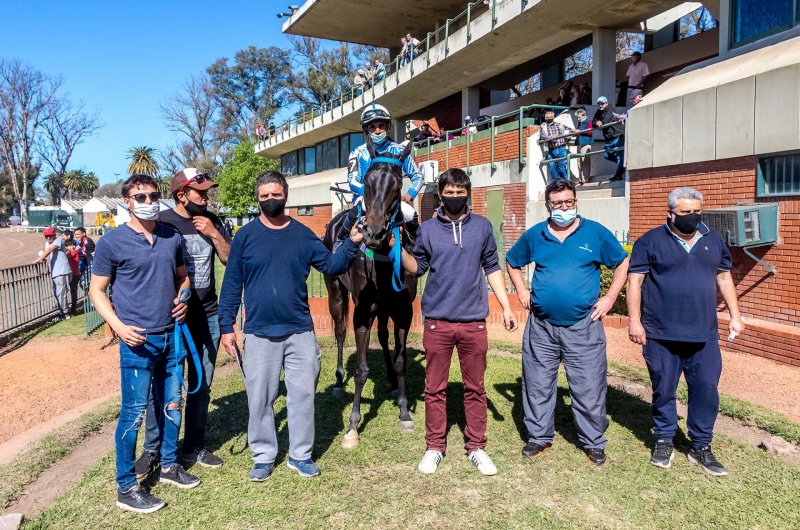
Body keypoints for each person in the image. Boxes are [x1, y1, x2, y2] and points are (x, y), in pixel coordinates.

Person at [218, 171, 363, 482]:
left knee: (302, 395)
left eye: (276, 194)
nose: (271, 200)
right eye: (264, 195)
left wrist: (351, 245)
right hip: (258, 332)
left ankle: (300, 455)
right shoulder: (244, 236)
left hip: (299, 331)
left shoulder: (302, 234)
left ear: (285, 195)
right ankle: (263, 455)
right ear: (258, 198)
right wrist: (226, 326)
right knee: (260, 398)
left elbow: (330, 266)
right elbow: (231, 284)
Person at [394, 168, 518, 476]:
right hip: (438, 322)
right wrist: (394, 248)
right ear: (439, 195)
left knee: (475, 388)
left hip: (473, 322)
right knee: (434, 389)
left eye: (459, 192)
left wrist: (506, 306)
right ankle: (435, 447)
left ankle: (476, 447)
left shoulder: (482, 227)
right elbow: (417, 267)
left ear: (468, 193)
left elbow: (492, 267)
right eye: (448, 193)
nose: (454, 197)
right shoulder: (428, 230)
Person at [89, 174, 196, 514]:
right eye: (140, 196)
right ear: (127, 202)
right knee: (134, 414)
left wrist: (185, 296)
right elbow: (96, 291)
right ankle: (126, 487)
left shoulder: (172, 237)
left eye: (153, 195)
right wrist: (118, 326)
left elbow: (183, 277)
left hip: (172, 337)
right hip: (137, 341)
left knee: (172, 404)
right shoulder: (111, 243)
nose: (148, 201)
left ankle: (167, 465)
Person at [506, 179, 630, 467]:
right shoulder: (536, 235)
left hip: (583, 326)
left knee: (588, 386)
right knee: (537, 383)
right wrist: (522, 290)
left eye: (569, 202)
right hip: (542, 326)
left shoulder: (595, 233)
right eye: (558, 204)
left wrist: (610, 298)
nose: (565, 208)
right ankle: (538, 436)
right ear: (548, 206)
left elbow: (622, 263)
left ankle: (593, 441)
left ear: (576, 201)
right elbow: (512, 261)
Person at [627, 187, 745, 476]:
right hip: (661, 333)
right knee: (664, 390)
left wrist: (735, 315)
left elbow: (724, 277)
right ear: (670, 213)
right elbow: (635, 282)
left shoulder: (713, 240)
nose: (692, 218)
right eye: (685, 213)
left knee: (706, 390)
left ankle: (701, 446)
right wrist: (634, 320)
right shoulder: (650, 241)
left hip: (704, 335)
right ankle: (664, 439)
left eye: (697, 212)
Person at [134, 168, 233, 480]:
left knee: (201, 384)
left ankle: (193, 446)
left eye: (206, 192)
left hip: (209, 315)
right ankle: (154, 449)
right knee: (162, 387)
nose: (205, 197)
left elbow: (231, 260)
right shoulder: (162, 223)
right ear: (181, 194)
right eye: (199, 192)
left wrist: (214, 234)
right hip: (173, 319)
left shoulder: (212, 221)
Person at [333, 103, 424, 253]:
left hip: (390, 201)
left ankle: (417, 248)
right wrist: (372, 194)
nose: (377, 130)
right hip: (365, 198)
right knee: (357, 209)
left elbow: (417, 176)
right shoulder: (357, 152)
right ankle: (339, 243)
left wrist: (410, 194)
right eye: (372, 127)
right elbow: (353, 180)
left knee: (409, 213)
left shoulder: (399, 150)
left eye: (381, 125)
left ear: (387, 127)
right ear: (366, 129)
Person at [34, 227, 71, 320]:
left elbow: (50, 250)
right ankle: (64, 312)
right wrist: (42, 258)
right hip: (56, 272)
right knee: (58, 293)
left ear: (54, 235)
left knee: (60, 294)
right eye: (46, 237)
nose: (48, 238)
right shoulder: (49, 243)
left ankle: (65, 314)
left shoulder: (58, 240)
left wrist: (37, 260)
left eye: (49, 236)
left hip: (61, 271)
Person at [593, 96, 626, 181]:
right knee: (607, 155)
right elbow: (593, 121)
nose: (600, 106)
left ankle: (618, 174)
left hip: (618, 136)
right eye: (599, 104)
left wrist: (600, 123)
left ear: (606, 103)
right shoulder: (599, 112)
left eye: (602, 104)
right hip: (609, 138)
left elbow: (605, 122)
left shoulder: (610, 110)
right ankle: (623, 164)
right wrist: (596, 122)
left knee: (619, 157)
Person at [539, 110, 575, 181]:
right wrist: (549, 137)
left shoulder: (559, 124)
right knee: (552, 167)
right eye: (547, 117)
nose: (548, 118)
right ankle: (556, 182)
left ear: (553, 117)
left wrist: (571, 134)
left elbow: (569, 129)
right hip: (552, 150)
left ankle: (566, 182)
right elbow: (542, 135)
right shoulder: (543, 126)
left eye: (550, 117)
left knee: (562, 167)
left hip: (561, 148)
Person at [575, 108, 593, 185]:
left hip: (586, 143)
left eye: (579, 117)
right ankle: (580, 178)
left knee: (585, 161)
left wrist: (578, 131)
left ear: (584, 115)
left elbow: (589, 132)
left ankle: (585, 178)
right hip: (580, 143)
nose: (578, 119)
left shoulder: (589, 121)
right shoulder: (580, 123)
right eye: (578, 118)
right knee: (579, 162)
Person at [64, 238, 82, 315]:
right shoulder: (70, 251)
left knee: (73, 291)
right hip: (72, 274)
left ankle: (73, 309)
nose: (72, 246)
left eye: (73, 245)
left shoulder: (74, 252)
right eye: (69, 245)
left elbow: (68, 255)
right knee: (70, 291)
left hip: (75, 274)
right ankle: (70, 308)